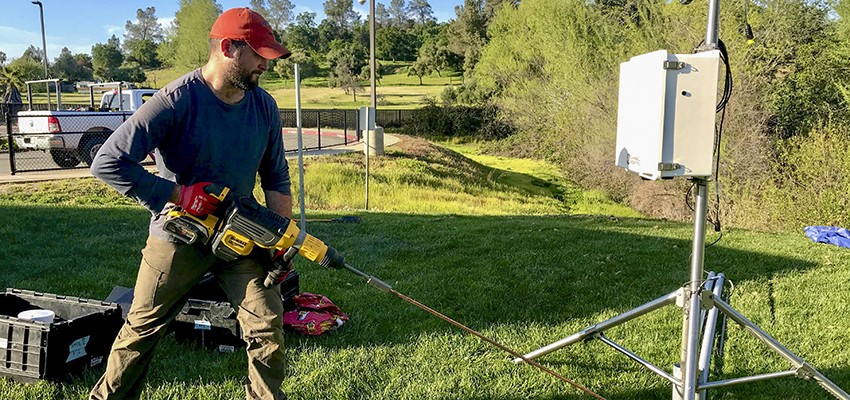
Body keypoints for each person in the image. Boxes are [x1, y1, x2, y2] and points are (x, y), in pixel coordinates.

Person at [89, 8, 292, 400]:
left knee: (267, 326)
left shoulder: (263, 106)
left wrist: (279, 237)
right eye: (260, 56)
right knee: (141, 332)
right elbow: (108, 162)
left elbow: (276, 177)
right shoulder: (174, 101)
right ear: (229, 48)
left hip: (240, 236)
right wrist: (178, 194)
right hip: (180, 234)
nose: (265, 67)